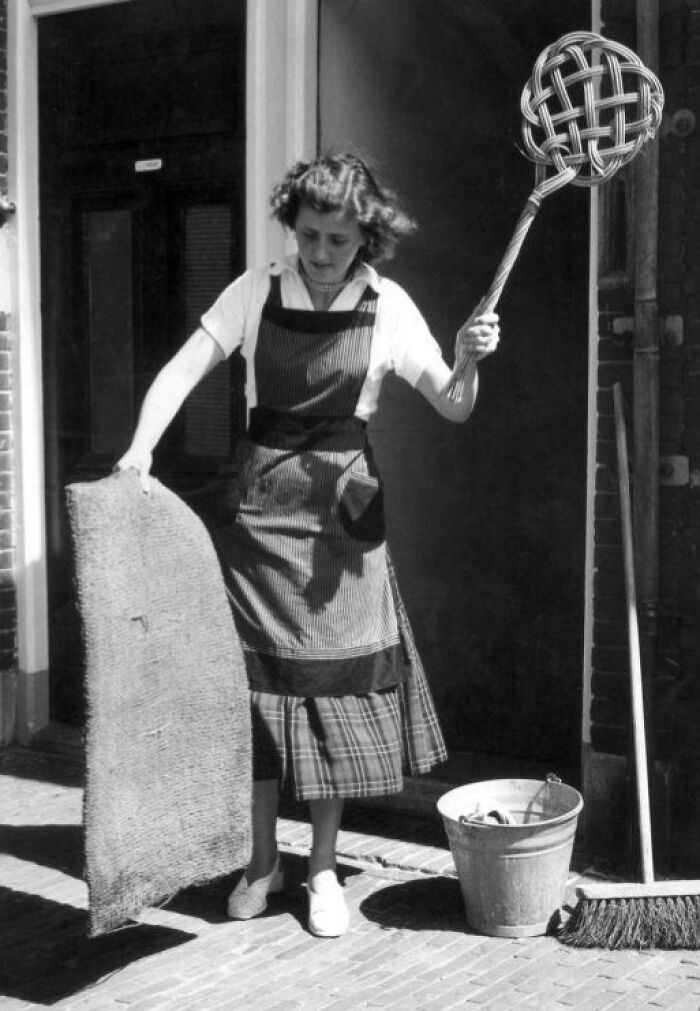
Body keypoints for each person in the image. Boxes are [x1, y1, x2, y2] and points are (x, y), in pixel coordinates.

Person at [116, 151, 500, 938]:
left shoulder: (388, 306)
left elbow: (455, 404)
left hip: (343, 528)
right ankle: (264, 861)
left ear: (367, 237)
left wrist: (469, 357)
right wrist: (138, 450)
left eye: (339, 240)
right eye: (310, 235)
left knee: (334, 691)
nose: (321, 253)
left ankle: (323, 866)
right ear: (292, 225)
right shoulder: (255, 291)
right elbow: (183, 369)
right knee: (255, 696)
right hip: (260, 515)